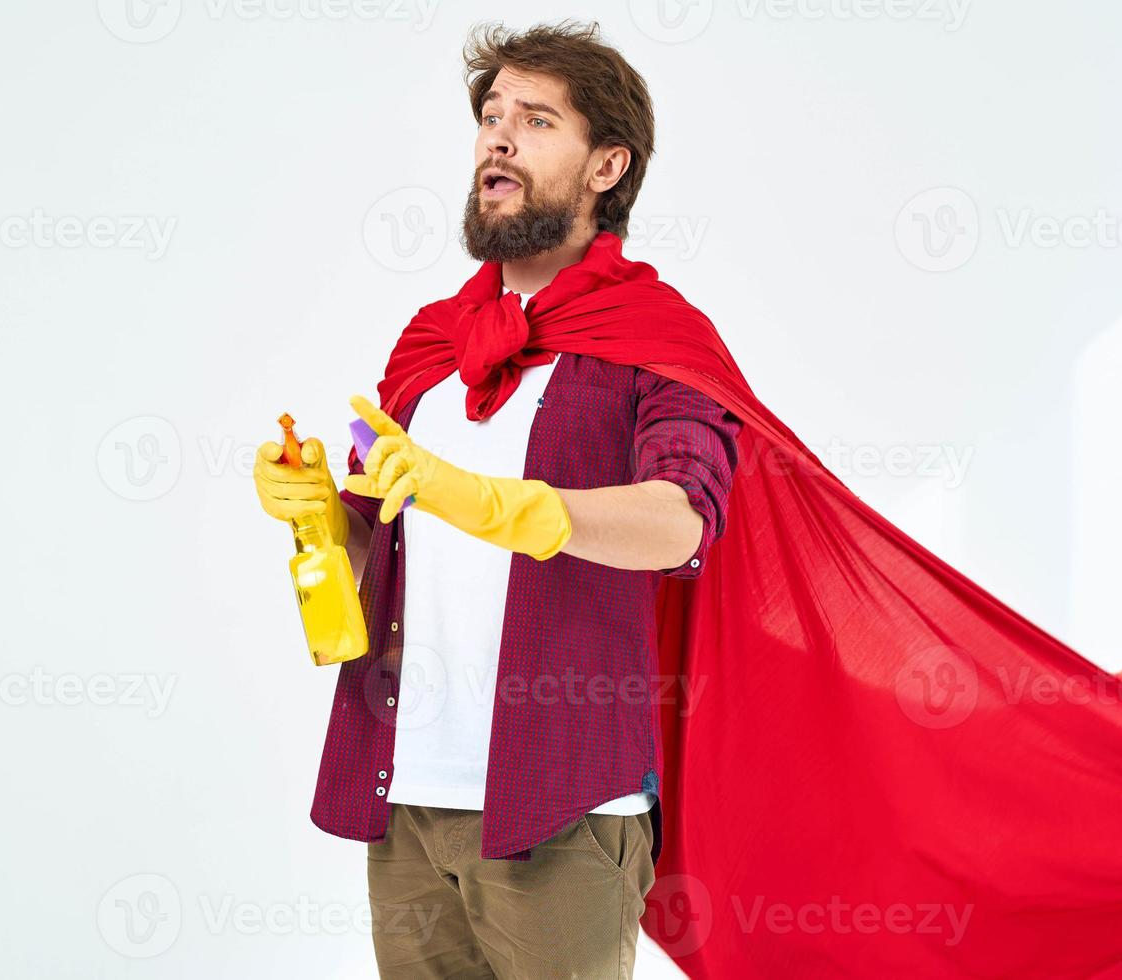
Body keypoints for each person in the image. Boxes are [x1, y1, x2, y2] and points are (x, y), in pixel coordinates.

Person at [254, 20, 741, 978]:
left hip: (560, 805)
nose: (498, 137)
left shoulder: (656, 335)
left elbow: (681, 522)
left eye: (535, 120)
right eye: (489, 116)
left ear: (607, 165)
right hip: (406, 792)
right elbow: (377, 557)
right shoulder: (429, 345)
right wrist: (324, 514)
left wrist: (507, 506)